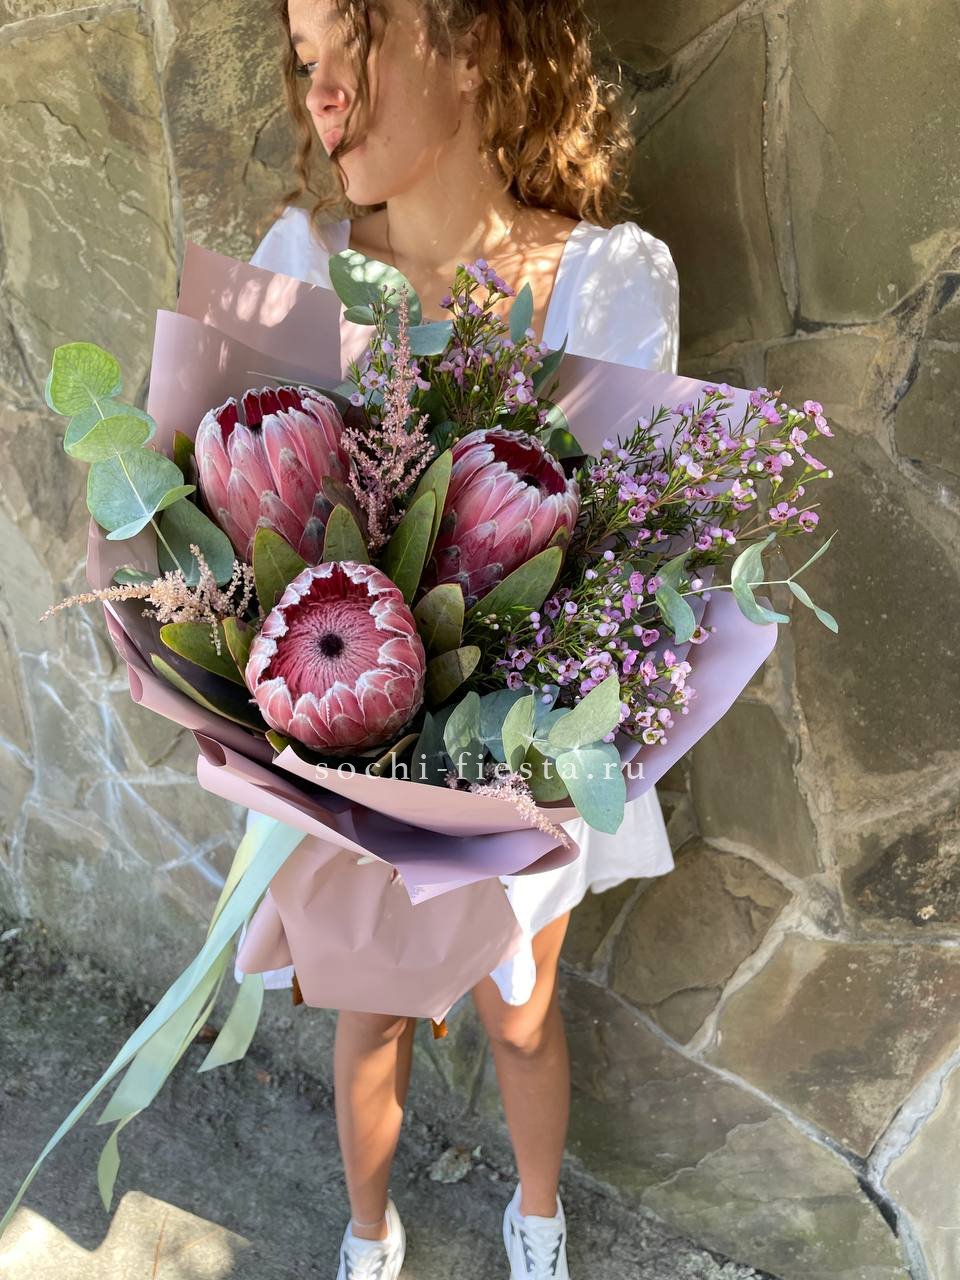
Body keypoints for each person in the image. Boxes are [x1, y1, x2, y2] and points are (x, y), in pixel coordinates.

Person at [244, 2, 680, 1276]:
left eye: (359, 44)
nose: (325, 93)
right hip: (349, 749)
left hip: (521, 762)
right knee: (369, 1011)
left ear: (478, 41)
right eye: (309, 61)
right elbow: (245, 526)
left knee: (522, 1008)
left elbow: (629, 543)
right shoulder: (300, 261)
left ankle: (537, 1220)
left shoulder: (610, 281)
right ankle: (369, 1230)